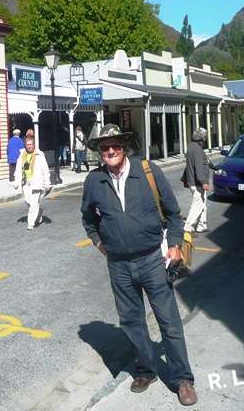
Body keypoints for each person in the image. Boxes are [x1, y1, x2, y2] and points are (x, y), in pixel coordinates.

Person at [80, 124, 197, 406]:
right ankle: (146, 369)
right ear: (99, 151)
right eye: (105, 147)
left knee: (168, 322)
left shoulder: (146, 171)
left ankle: (183, 379)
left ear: (124, 147)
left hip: (152, 260)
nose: (110, 151)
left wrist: (175, 245)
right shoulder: (94, 181)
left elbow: (174, 213)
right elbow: (88, 220)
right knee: (132, 323)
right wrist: (100, 245)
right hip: (118, 265)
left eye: (115, 146)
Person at [13, 136, 51, 230]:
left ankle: (31, 223)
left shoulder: (39, 155)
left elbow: (45, 170)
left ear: (34, 145)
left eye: (30, 144)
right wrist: (17, 181)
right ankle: (39, 212)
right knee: (28, 202)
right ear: (25, 145)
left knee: (34, 204)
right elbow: (18, 169)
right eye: (27, 144)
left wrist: (47, 183)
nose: (29, 146)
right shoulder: (22, 155)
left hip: (37, 182)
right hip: (26, 183)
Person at [182, 128, 214, 233]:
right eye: (205, 137)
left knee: (202, 203)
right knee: (197, 205)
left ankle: (201, 225)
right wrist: (204, 182)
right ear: (202, 138)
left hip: (194, 181)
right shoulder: (198, 150)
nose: (205, 140)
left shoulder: (191, 147)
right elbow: (199, 168)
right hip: (197, 183)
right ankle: (187, 227)